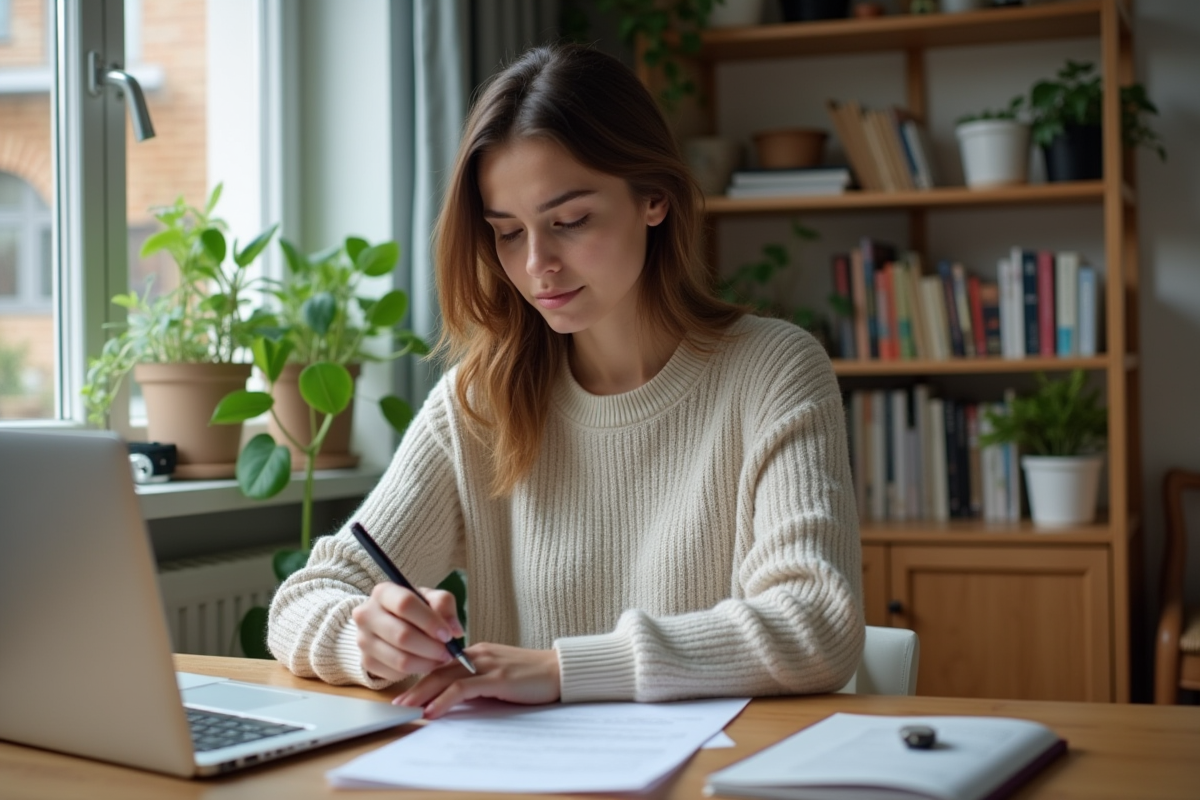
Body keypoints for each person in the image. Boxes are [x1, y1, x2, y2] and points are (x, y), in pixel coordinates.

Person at [268, 43, 863, 720]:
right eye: (506, 233)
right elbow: (304, 598)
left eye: (570, 222)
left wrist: (562, 670)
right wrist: (366, 638)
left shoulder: (773, 371)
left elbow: (817, 623)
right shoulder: (481, 400)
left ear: (655, 199)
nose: (536, 264)